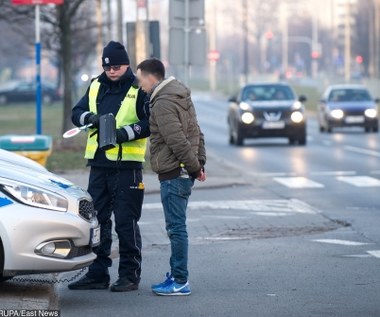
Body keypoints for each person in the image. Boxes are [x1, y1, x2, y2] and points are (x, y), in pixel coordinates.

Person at [68, 41, 150, 292]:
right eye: (107, 67)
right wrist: (89, 118)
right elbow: (77, 112)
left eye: (116, 66)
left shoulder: (139, 88)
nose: (111, 71)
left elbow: (149, 123)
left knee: (126, 221)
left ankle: (129, 274)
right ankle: (97, 273)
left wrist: (123, 133)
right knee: (98, 220)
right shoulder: (95, 85)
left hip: (127, 166)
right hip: (99, 164)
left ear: (126, 64)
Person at [136, 58, 206, 296]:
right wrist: (199, 164)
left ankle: (180, 281)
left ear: (150, 77)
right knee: (177, 227)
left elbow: (177, 140)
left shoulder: (162, 104)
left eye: (140, 79)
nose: (140, 85)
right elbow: (196, 131)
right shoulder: (180, 96)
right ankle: (177, 275)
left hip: (174, 173)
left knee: (176, 229)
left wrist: (195, 167)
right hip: (184, 171)